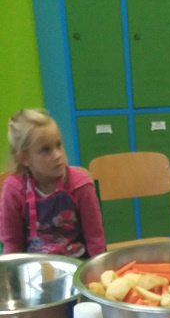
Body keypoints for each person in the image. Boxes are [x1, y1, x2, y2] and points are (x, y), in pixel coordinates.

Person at [0, 109, 105, 257]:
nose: (57, 155)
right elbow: (12, 244)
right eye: (45, 150)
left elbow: (95, 239)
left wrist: (96, 269)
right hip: (33, 266)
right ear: (24, 158)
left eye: (58, 145)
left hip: (77, 262)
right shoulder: (14, 190)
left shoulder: (80, 186)